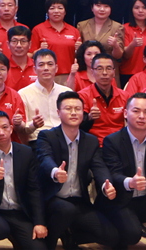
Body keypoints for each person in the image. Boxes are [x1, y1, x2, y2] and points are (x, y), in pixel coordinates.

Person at [34, 90, 120, 249]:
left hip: (78, 201)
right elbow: (45, 159)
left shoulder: (91, 141)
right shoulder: (47, 136)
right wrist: (55, 172)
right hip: (53, 199)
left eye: (78, 109)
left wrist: (105, 185)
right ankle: (49, 242)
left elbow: (99, 167)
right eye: (68, 109)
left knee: (111, 236)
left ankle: (70, 235)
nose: (73, 112)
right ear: (58, 113)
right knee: (66, 210)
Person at [0, 109, 47, 249]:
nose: (1, 132)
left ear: (11, 129)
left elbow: (34, 189)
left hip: (19, 211)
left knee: (38, 248)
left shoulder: (25, 152)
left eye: (5, 127)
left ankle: (15, 236)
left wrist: (39, 222)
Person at [101, 93, 146, 249]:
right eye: (136, 111)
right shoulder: (112, 141)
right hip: (121, 200)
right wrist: (130, 182)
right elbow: (113, 174)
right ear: (126, 113)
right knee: (132, 235)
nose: (141, 116)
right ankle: (114, 232)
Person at [78, 53, 129, 143]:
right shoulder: (82, 95)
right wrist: (89, 117)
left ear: (114, 72)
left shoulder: (124, 96)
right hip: (93, 144)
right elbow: (77, 125)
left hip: (119, 143)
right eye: (99, 69)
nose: (104, 73)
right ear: (92, 72)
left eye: (108, 68)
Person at [30, 0, 81, 83]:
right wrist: (40, 50)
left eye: (60, 8)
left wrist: (79, 49)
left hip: (69, 76)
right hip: (46, 75)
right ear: (47, 11)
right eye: (52, 8)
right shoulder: (38, 29)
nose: (56, 11)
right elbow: (30, 55)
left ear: (65, 12)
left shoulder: (74, 31)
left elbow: (79, 57)